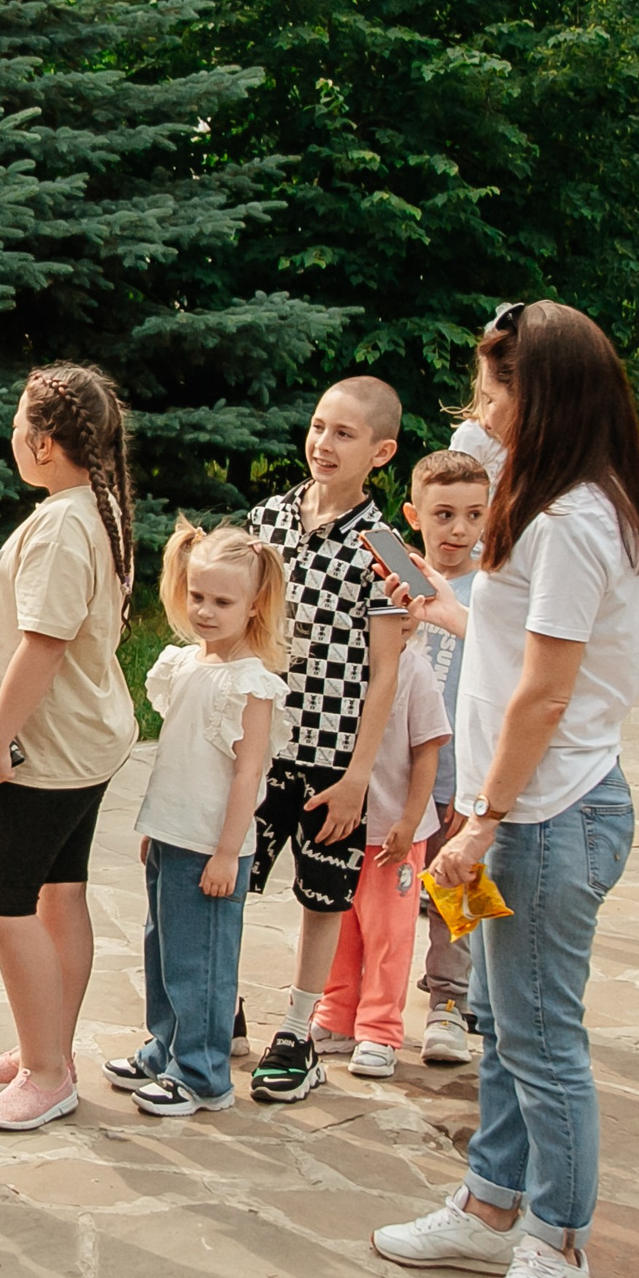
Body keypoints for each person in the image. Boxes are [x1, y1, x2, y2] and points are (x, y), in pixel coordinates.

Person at [372, 299, 639, 1278]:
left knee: (541, 1042)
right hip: (521, 814)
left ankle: (558, 1245)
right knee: (504, 1025)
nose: (475, 403)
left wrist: (481, 818)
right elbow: (514, 647)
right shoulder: (544, 506)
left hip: (542, 818)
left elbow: (545, 694)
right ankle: (490, 1205)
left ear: (540, 396)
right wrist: (443, 602)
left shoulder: (574, 520)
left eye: (493, 385)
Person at [0, 365, 139, 1132]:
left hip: (46, 754)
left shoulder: (64, 524)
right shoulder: (87, 507)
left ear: (39, 440)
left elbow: (44, 645)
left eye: (17, 422)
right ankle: (44, 1045)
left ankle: (47, 1072)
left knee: (2, 903)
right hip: (82, 742)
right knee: (61, 895)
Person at [243, 377, 409, 1104]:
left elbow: (389, 669)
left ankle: (298, 1027)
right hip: (259, 744)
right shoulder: (265, 519)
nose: (323, 443)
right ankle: (224, 1010)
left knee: (322, 898)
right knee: (230, 879)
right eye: (317, 426)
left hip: (332, 759)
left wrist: (359, 774)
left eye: (344, 434)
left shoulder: (388, 547)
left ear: (381, 452)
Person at [106, 520, 285, 1116]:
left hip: (214, 845)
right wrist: (154, 828)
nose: (206, 611)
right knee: (163, 949)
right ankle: (166, 1047)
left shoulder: (251, 684)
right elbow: (175, 758)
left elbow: (246, 774)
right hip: (172, 836)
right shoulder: (183, 664)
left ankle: (204, 1072)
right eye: (199, 597)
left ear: (255, 605)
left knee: (200, 961)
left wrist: (228, 852)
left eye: (223, 601)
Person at [312, 630, 448, 1080]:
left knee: (389, 932)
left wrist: (409, 823)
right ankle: (337, 1015)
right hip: (343, 827)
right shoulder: (342, 660)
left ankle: (380, 1029)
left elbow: (427, 751)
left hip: (393, 834)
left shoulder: (415, 671)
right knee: (339, 924)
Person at [401, 449, 490, 1066]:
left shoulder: (493, 590)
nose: (459, 530)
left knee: (454, 892)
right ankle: (359, 996)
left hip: (461, 776)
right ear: (414, 515)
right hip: (401, 776)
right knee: (383, 893)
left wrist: (479, 789)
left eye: (474, 515)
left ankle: (451, 1003)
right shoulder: (396, 580)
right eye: (444, 514)